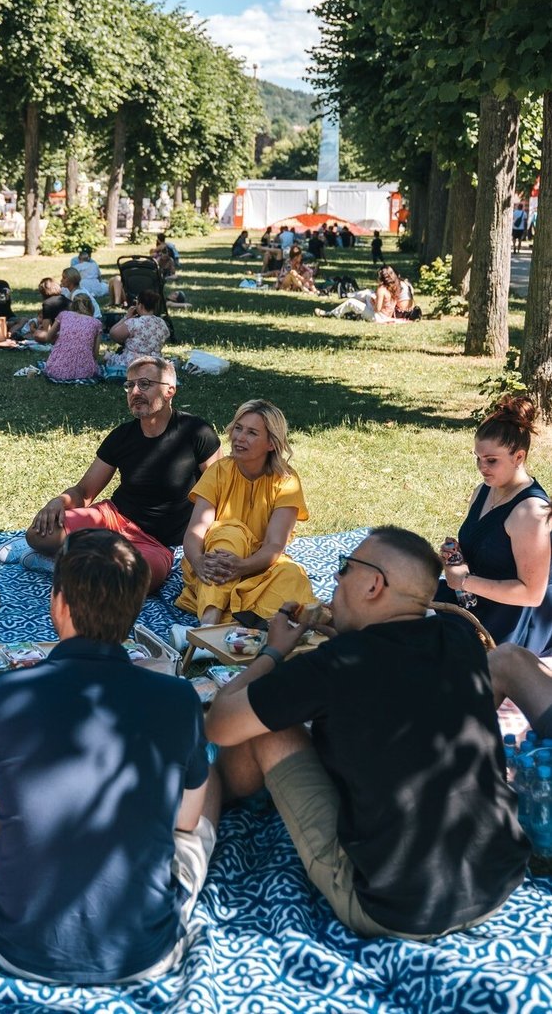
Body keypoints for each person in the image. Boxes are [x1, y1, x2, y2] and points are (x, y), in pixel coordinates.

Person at [0, 529, 220, 985]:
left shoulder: (2, 695)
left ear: (58, 603)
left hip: (22, 949)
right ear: (137, 608)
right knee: (204, 794)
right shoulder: (180, 698)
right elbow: (184, 822)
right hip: (146, 951)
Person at [207, 527, 529, 940]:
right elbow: (394, 667)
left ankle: (218, 807)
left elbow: (220, 724)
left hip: (397, 909)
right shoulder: (460, 637)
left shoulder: (334, 665)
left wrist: (274, 651)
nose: (337, 580)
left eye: (345, 569)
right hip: (497, 881)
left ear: (374, 584)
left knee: (265, 727)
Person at [0, 356, 221, 589]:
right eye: (129, 385)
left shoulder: (197, 433)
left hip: (156, 542)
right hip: (112, 519)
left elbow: (221, 488)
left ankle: (67, 563)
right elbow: (85, 491)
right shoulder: (121, 436)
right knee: (38, 533)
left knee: (143, 577)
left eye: (145, 384)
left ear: (169, 391)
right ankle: (73, 565)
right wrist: (59, 501)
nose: (135, 391)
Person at [175, 399, 313, 632]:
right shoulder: (218, 471)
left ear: (271, 443)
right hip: (214, 560)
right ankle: (208, 628)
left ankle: (234, 627)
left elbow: (274, 545)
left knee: (293, 576)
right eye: (238, 428)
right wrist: (198, 563)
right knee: (230, 534)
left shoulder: (286, 481)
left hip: (258, 564)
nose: (239, 438)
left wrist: (243, 566)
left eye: (251, 433)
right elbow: (195, 532)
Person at [436, 395, 552, 655]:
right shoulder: (484, 490)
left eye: (491, 460)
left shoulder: (531, 512)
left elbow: (532, 595)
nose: (481, 467)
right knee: (402, 603)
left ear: (518, 456)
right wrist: (457, 556)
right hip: (475, 596)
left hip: (513, 616)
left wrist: (464, 581)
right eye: (477, 458)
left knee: (435, 646)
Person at [104, 289, 169, 372]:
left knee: (109, 356)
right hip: (155, 362)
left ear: (140, 305)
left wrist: (126, 317)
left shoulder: (133, 322)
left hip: (133, 362)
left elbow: (113, 333)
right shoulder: (161, 322)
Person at [42, 293, 102, 382]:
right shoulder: (96, 323)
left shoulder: (63, 315)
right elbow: (95, 354)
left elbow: (48, 337)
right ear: (90, 306)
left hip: (57, 370)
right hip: (85, 372)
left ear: (73, 304)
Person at [314, 267, 402, 322]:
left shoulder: (381, 289)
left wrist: (373, 302)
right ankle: (347, 297)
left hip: (379, 317)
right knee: (367, 293)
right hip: (387, 314)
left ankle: (330, 314)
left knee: (351, 302)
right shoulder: (395, 285)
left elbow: (377, 309)